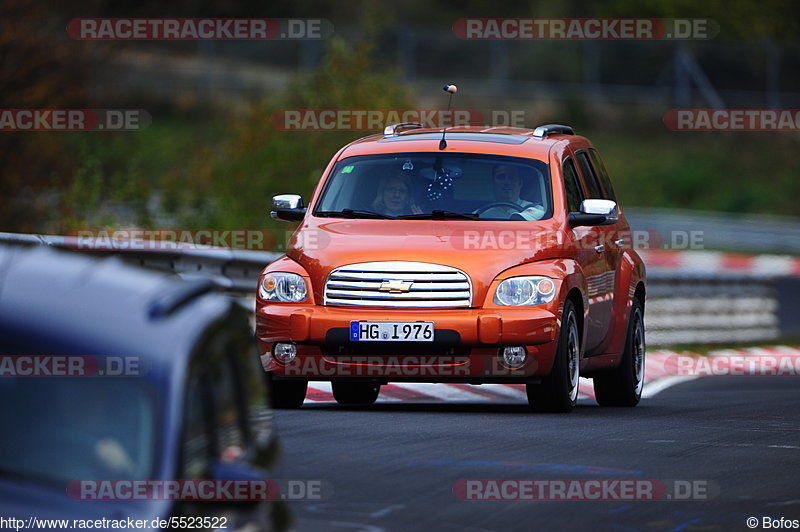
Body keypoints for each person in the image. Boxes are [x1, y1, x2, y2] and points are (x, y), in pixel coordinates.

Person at [480, 164, 546, 220]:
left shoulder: (538, 212)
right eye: (501, 177)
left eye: (511, 178)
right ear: (493, 183)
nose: (506, 182)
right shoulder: (481, 214)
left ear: (520, 183)